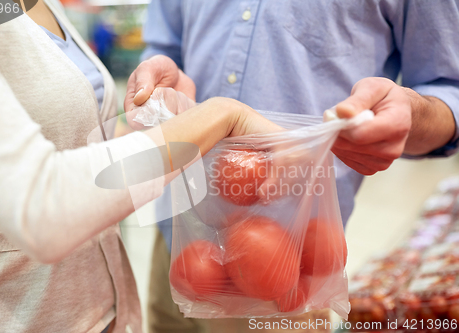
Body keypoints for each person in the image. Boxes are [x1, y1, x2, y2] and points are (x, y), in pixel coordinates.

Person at [124, 1, 459, 332]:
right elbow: (165, 46)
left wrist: (414, 116)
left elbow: (450, 89)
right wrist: (162, 83)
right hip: (181, 231)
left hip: (286, 262)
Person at [0, 1, 284, 332]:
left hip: (98, 309)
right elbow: (39, 206)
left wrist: (162, 118)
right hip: (12, 315)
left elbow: (67, 145)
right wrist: (218, 116)